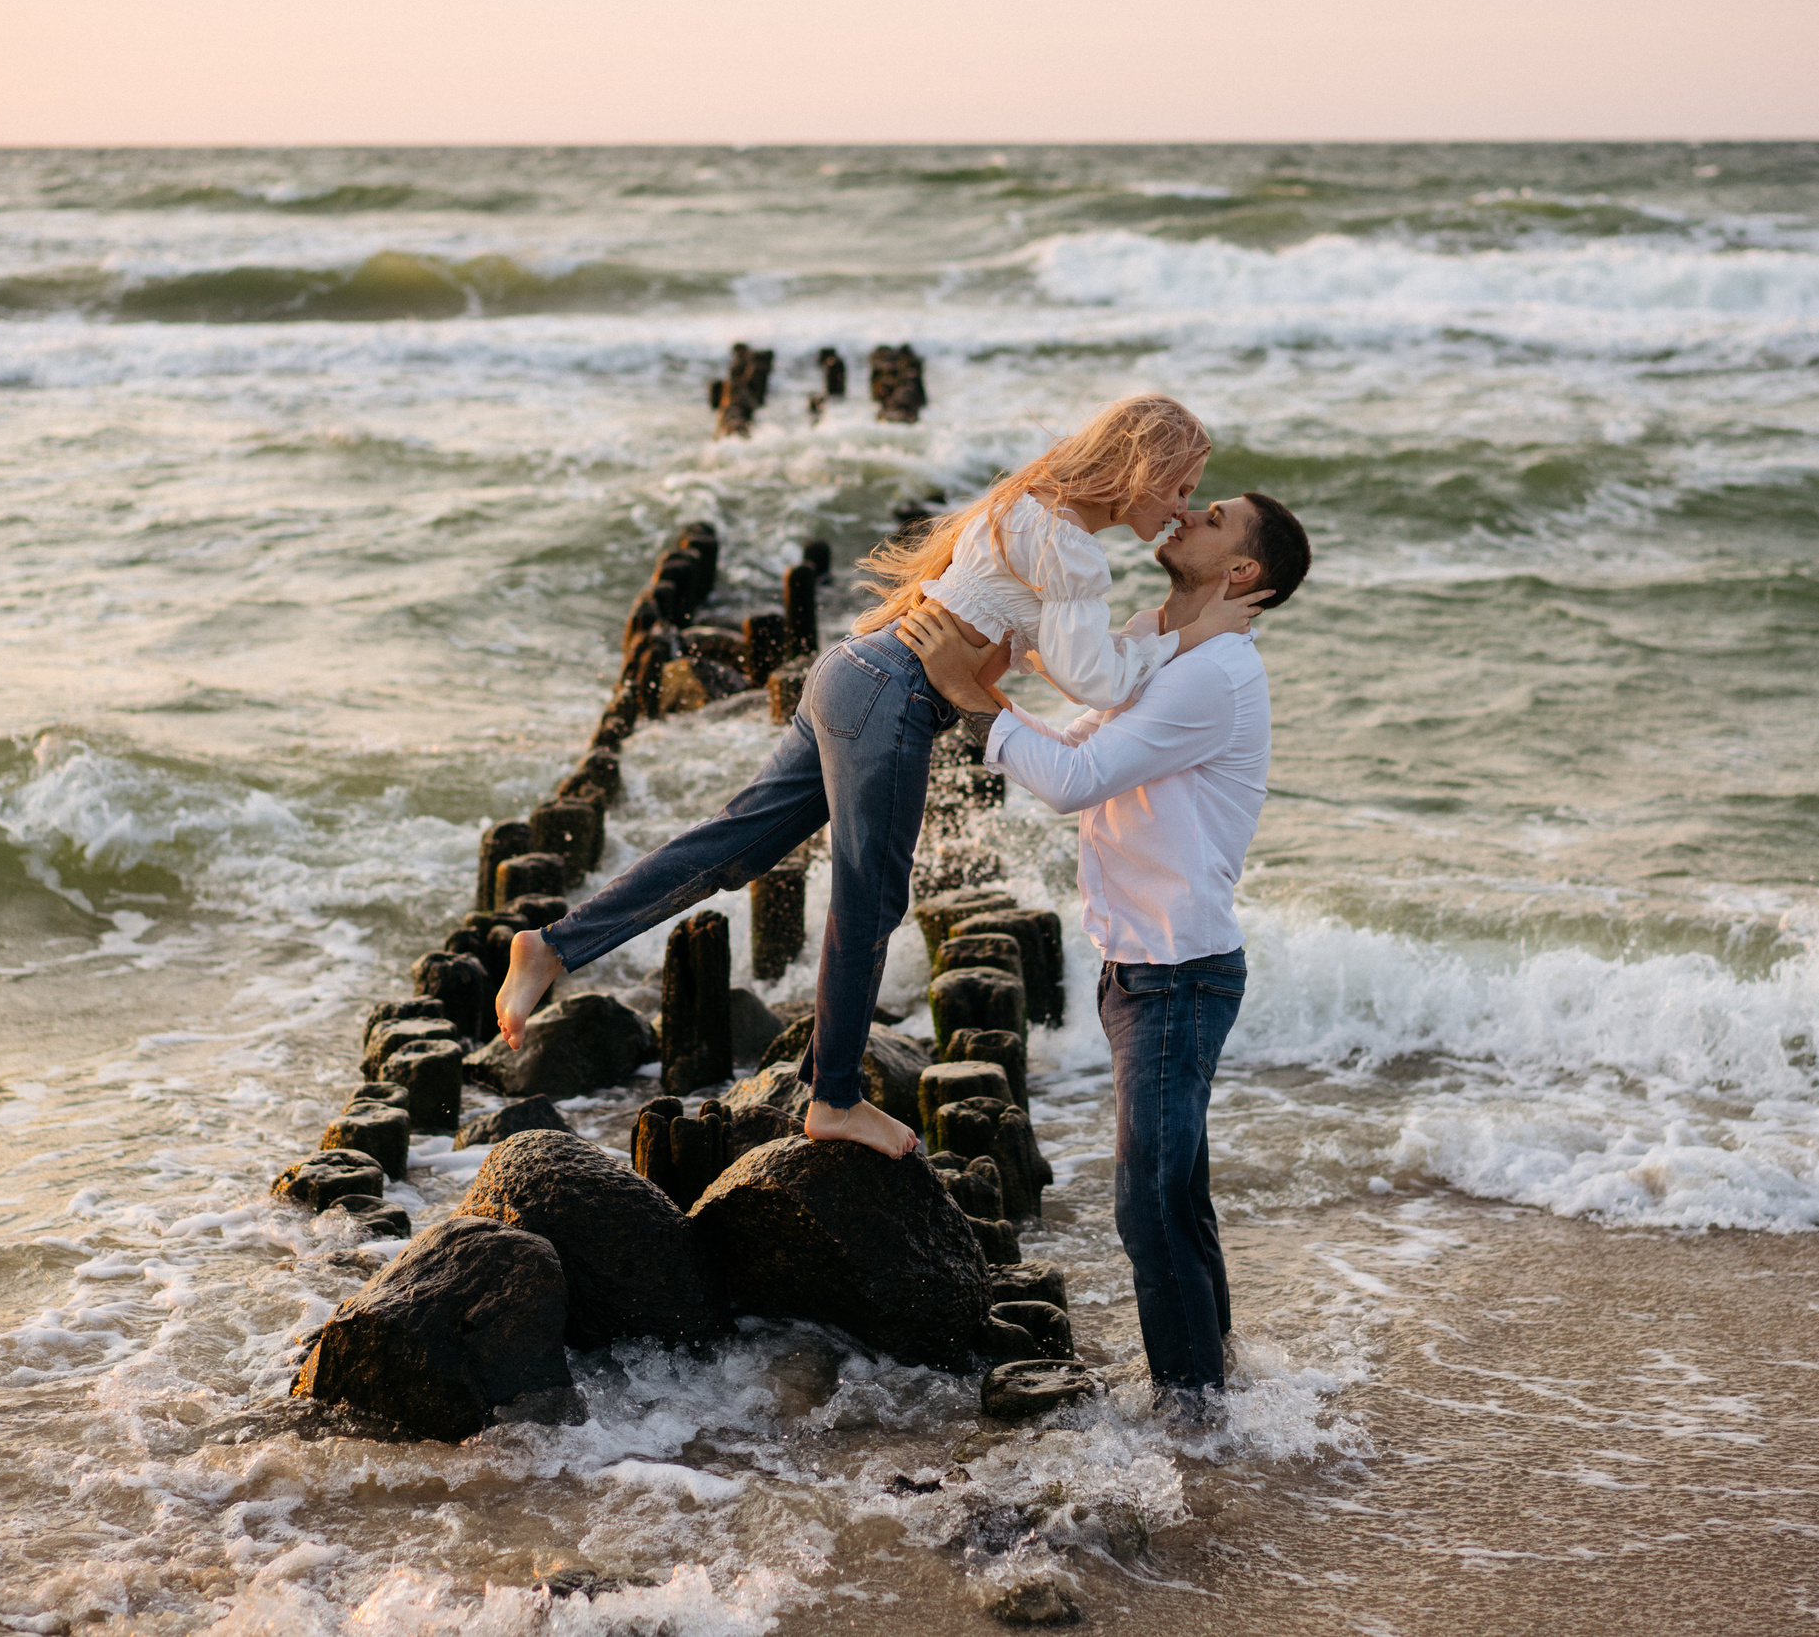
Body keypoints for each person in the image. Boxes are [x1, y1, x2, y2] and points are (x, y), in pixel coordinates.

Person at [491, 395, 1269, 1159]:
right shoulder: (1073, 549)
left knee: (733, 847)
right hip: (892, 698)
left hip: (854, 670)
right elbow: (1093, 681)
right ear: (1137, 470)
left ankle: (557, 947)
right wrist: (1188, 635)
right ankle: (832, 1100)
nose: (1181, 507)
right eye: (1179, 486)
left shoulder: (1026, 502)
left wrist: (1138, 637)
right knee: (870, 900)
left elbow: (1052, 657)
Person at [896, 490, 1310, 1401]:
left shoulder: (1215, 676)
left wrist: (970, 695)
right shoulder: (1181, 658)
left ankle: (1192, 1414)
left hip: (1175, 975)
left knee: (1150, 1208)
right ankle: (1214, 1393)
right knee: (1177, 1202)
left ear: (1244, 573)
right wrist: (989, 695)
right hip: (1150, 973)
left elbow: (1075, 782)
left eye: (1215, 518)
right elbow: (1075, 741)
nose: (1190, 512)